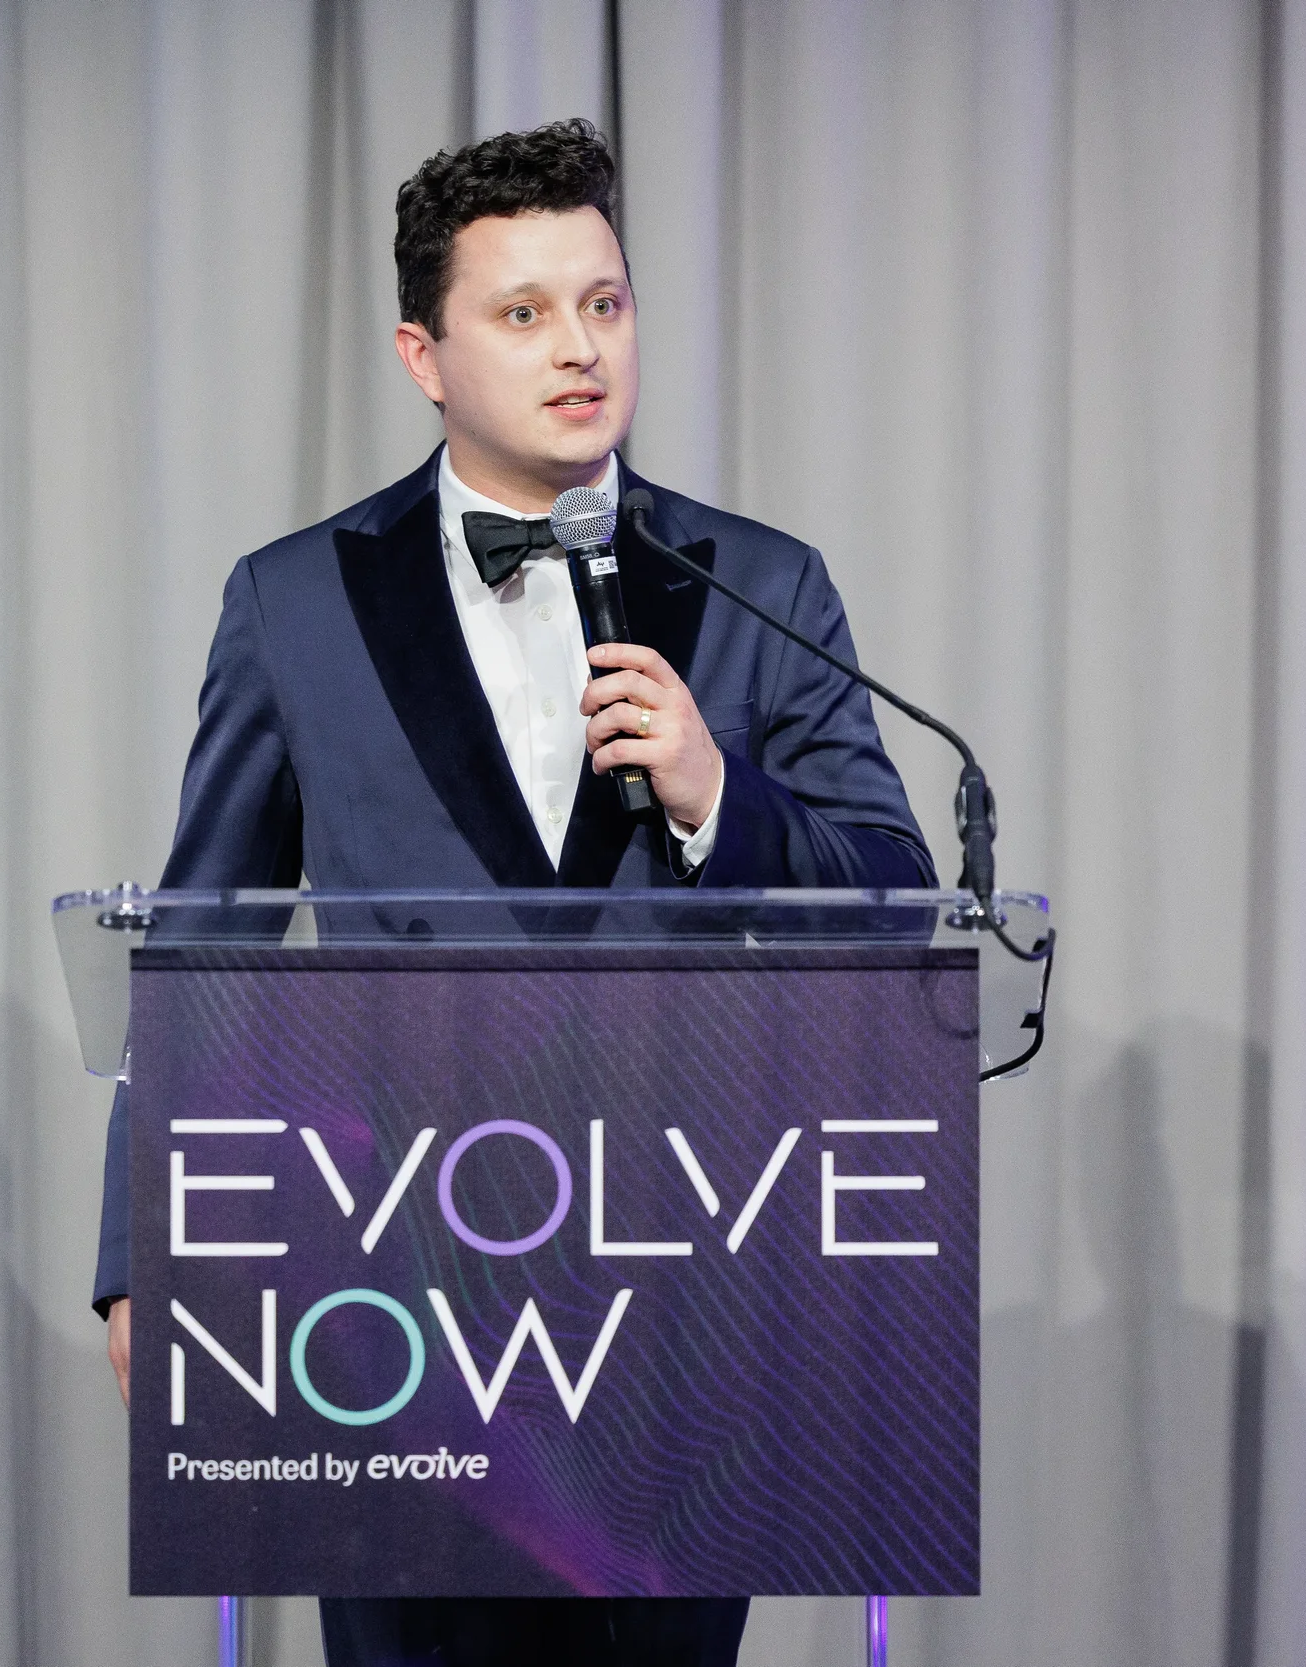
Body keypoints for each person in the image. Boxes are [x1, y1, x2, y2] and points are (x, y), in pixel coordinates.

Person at [93, 119, 933, 1667]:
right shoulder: (294, 597)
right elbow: (199, 943)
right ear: (424, 351)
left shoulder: (761, 583)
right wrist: (149, 1255)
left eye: (604, 303)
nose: (577, 350)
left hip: (687, 1299)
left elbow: (898, 911)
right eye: (523, 312)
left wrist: (716, 798)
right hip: (393, 1303)